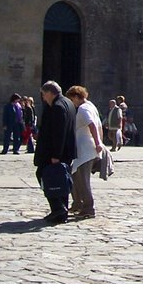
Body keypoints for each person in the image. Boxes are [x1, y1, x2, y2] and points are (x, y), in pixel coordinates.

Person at [34, 81, 77, 224]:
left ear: (49, 93)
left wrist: (55, 156)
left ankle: (58, 207)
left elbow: (59, 133)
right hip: (66, 151)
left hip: (56, 152)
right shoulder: (68, 103)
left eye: (43, 94)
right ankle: (60, 213)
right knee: (61, 179)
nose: (43, 98)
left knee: (43, 174)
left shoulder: (58, 107)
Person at [65, 86, 103, 219]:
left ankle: (88, 208)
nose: (72, 102)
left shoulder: (83, 108)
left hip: (85, 149)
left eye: (71, 99)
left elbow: (92, 125)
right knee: (75, 176)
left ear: (76, 97)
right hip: (84, 148)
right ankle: (78, 203)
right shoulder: (91, 106)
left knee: (82, 180)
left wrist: (98, 143)